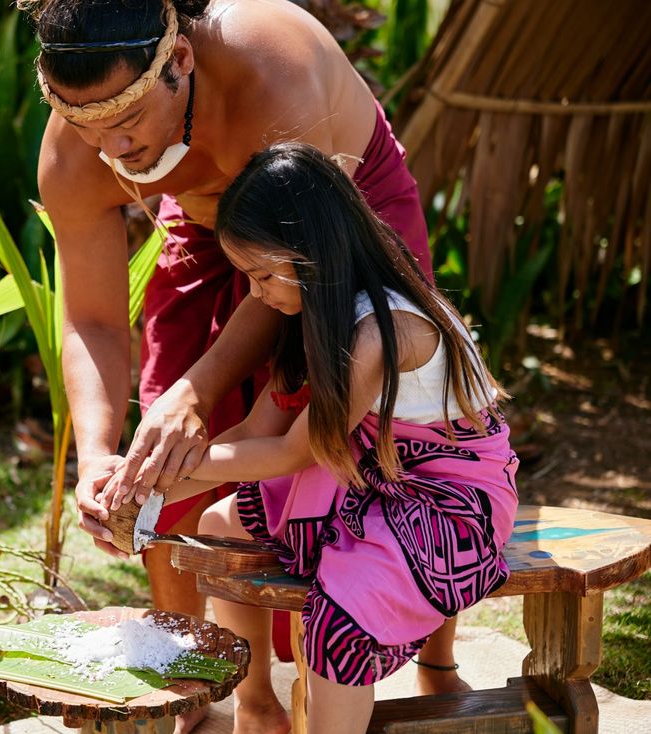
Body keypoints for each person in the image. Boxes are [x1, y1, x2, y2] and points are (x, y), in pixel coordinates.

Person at [23, 0, 460, 716]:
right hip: (204, 227)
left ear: (181, 64)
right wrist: (99, 456)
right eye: (84, 126)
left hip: (340, 223)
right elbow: (94, 318)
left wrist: (198, 395)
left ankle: (436, 663)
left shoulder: (270, 68)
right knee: (160, 444)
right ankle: (218, 685)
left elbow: (302, 268)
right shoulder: (78, 152)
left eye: (126, 125)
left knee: (392, 442)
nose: (109, 149)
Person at [103, 143, 519, 733]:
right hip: (369, 469)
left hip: (446, 497)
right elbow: (254, 433)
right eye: (246, 277)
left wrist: (159, 476)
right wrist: (146, 494)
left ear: (312, 250)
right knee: (222, 526)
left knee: (337, 616)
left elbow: (293, 452)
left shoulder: (380, 331)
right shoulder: (316, 312)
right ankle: (256, 706)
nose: (257, 294)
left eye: (262, 275)